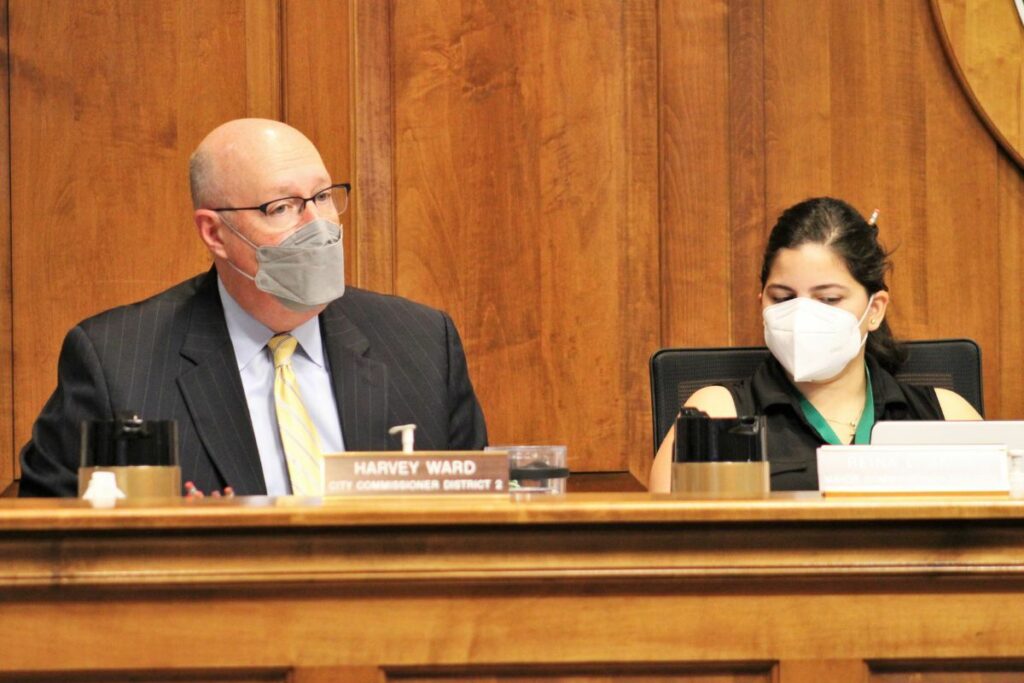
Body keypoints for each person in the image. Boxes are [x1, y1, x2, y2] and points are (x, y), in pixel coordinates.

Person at [19, 118, 487, 497]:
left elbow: (480, 526)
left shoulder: (422, 343)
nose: (318, 226)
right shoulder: (116, 362)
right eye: (282, 207)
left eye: (323, 197)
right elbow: (46, 541)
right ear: (215, 233)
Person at [649, 197, 980, 493]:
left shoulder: (947, 417)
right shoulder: (716, 415)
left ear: (875, 310)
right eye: (783, 298)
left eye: (829, 299)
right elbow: (668, 535)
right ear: (762, 302)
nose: (802, 315)